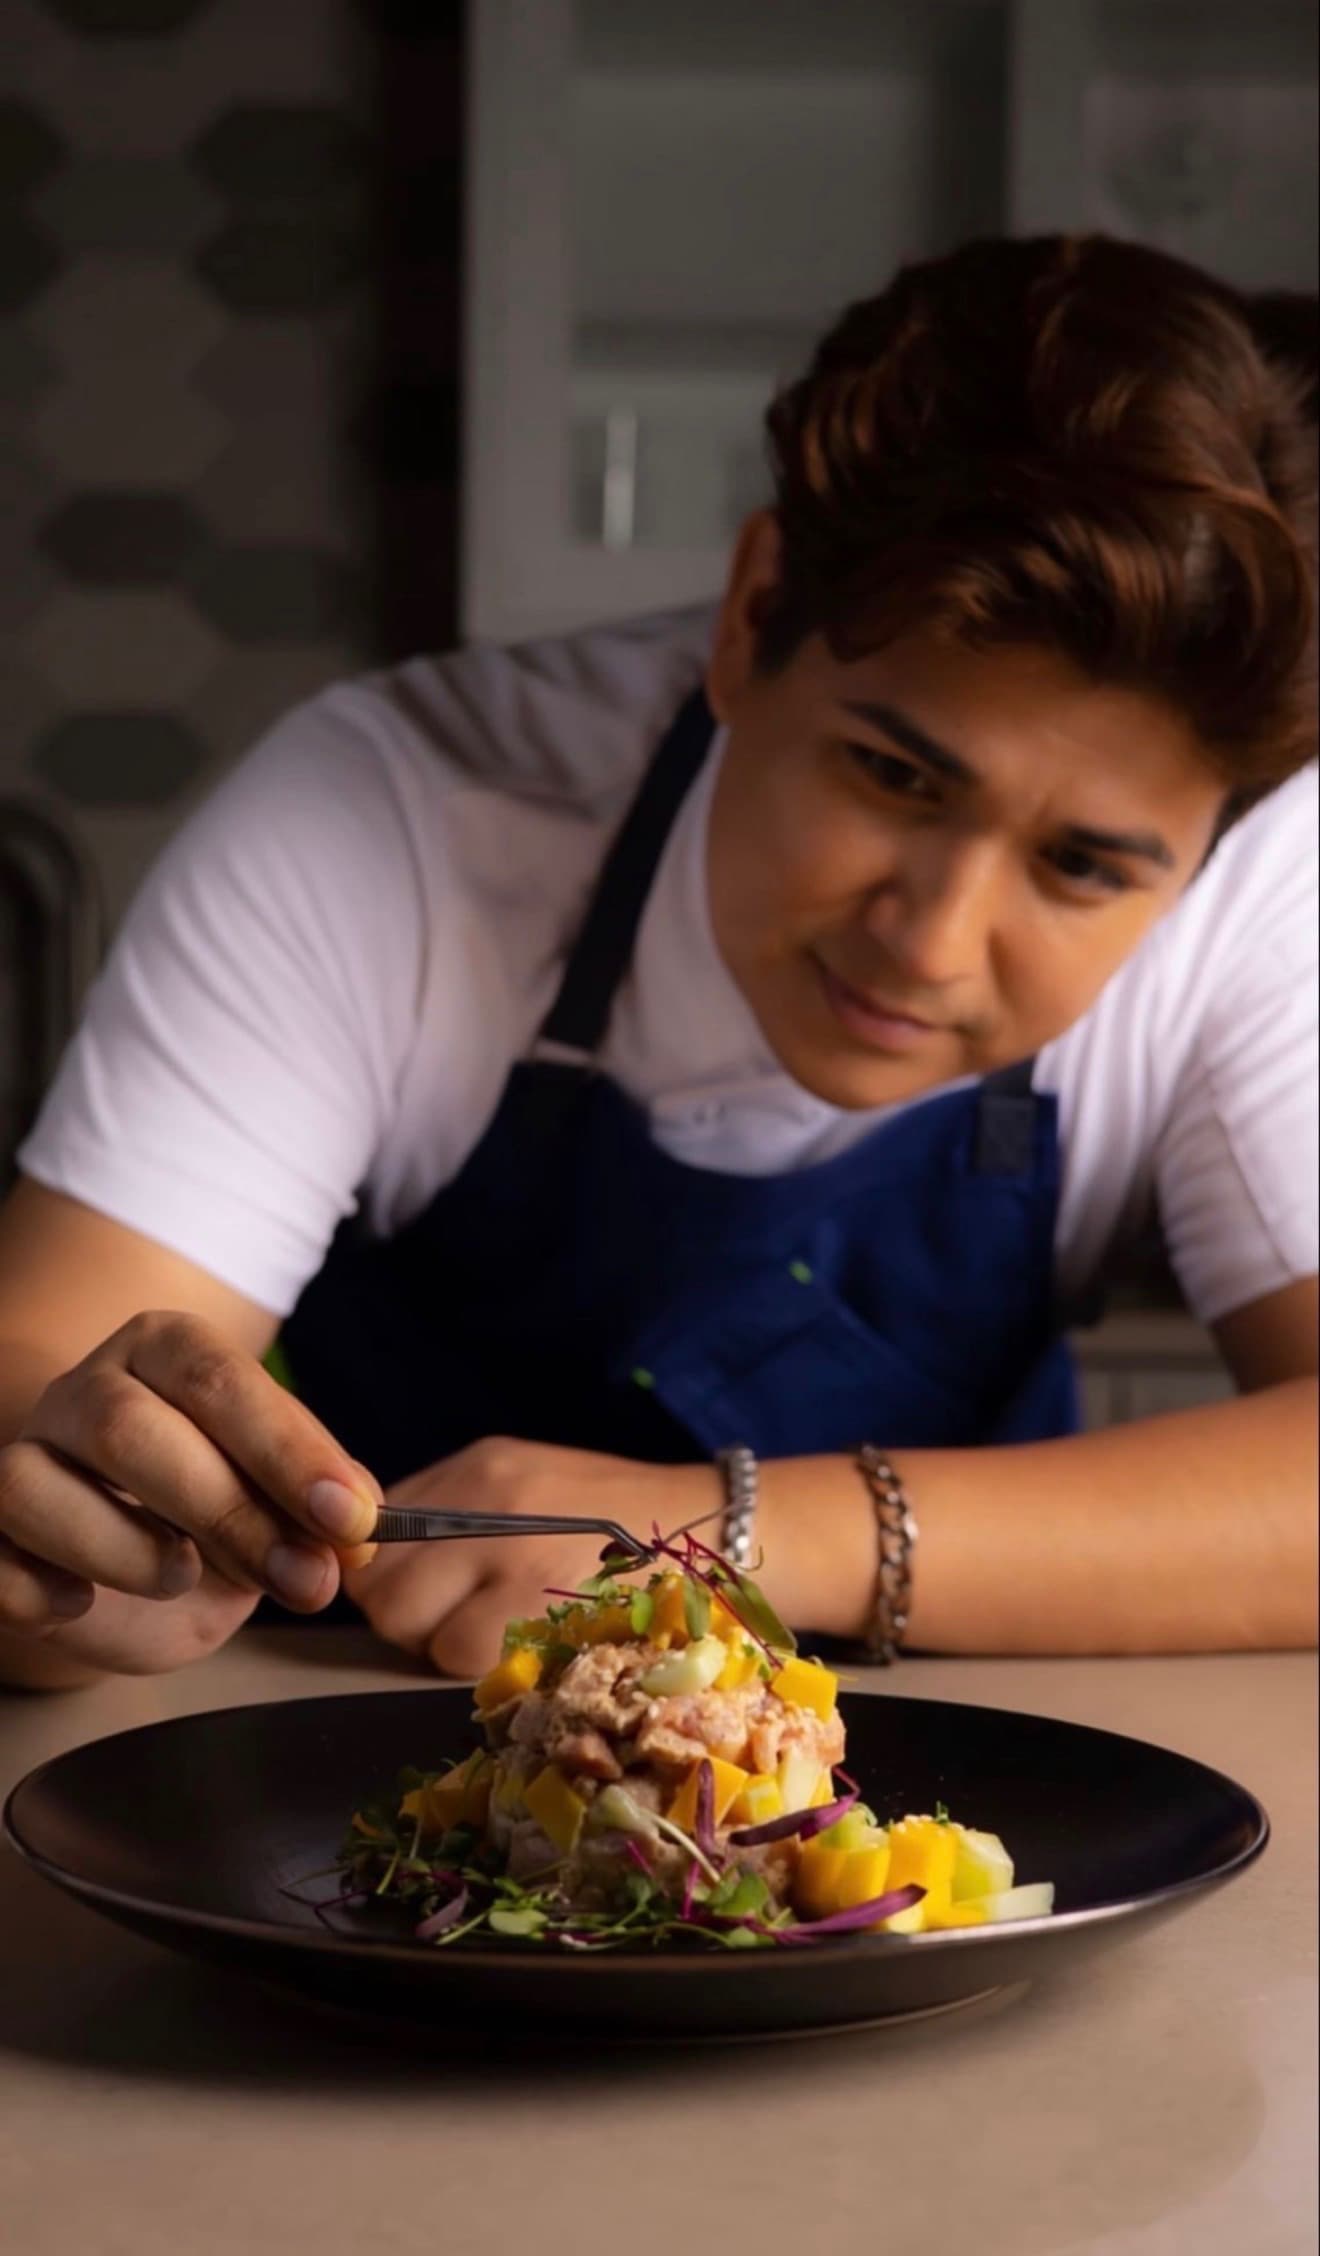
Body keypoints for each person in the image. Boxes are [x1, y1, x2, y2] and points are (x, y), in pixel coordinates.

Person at [0, 234, 1315, 1693]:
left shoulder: (1255, 864)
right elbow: (45, 1372)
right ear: (753, 617)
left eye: (1081, 868)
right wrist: (69, 1558)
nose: (931, 943)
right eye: (891, 774)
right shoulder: (381, 815)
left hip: (977, 1816)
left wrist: (729, 1538)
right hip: (370, 1767)